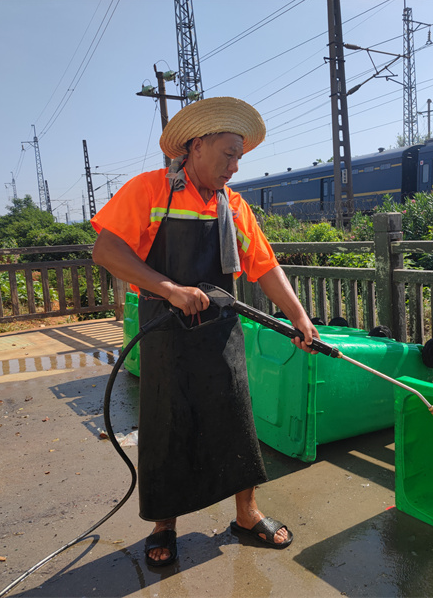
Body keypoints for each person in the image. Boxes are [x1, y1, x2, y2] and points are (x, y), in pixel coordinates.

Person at [91, 96, 318, 567]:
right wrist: (170, 288)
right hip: (164, 330)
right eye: (228, 154)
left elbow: (265, 266)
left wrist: (299, 316)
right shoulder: (149, 191)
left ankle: (247, 514)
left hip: (220, 331)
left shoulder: (232, 206)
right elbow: (107, 250)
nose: (234, 166)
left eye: (239, 157)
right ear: (195, 146)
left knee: (235, 418)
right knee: (167, 423)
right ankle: (164, 525)